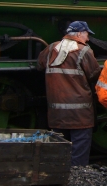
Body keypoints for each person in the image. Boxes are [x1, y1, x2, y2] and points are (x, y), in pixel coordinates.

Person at [37, 21, 101, 166]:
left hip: (56, 113)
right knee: (78, 156)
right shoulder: (84, 51)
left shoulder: (50, 48)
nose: (88, 38)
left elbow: (39, 65)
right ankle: (77, 181)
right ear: (79, 34)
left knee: (59, 152)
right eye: (86, 34)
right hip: (80, 115)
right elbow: (94, 74)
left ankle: (60, 179)